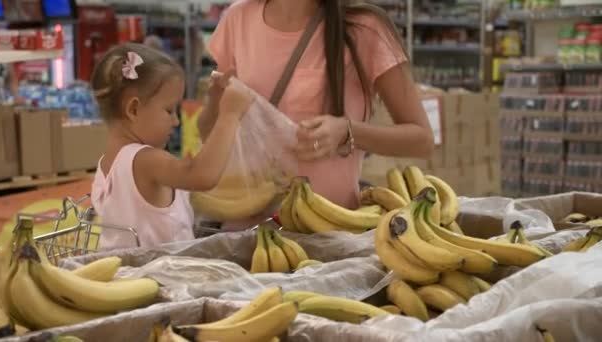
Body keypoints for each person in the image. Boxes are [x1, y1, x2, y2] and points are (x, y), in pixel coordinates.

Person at [198, 0, 434, 211]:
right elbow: (208, 132)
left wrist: (347, 131)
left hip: (328, 227)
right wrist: (215, 104)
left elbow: (422, 139)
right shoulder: (238, 18)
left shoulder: (365, 28)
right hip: (246, 224)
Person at [90, 43, 252, 249]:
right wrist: (230, 115)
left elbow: (205, 142)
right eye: (169, 110)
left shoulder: (108, 162)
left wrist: (214, 101)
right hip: (157, 278)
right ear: (133, 109)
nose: (176, 121)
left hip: (126, 276)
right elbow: (201, 175)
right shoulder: (143, 160)